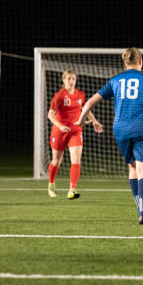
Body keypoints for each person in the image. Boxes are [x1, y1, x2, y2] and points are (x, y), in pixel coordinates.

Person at [75, 47, 143, 225]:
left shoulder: (115, 80)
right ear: (140, 61)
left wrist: (81, 120)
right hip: (142, 127)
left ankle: (141, 210)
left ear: (125, 62)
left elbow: (90, 102)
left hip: (120, 128)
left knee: (132, 168)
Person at [47, 69, 103, 199]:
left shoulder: (80, 94)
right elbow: (50, 114)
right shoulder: (59, 96)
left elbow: (85, 109)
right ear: (64, 80)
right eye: (69, 79)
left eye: (73, 79)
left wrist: (94, 121)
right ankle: (51, 184)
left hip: (76, 131)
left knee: (76, 160)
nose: (71, 81)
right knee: (56, 161)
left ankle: (72, 190)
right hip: (60, 131)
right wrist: (61, 126)